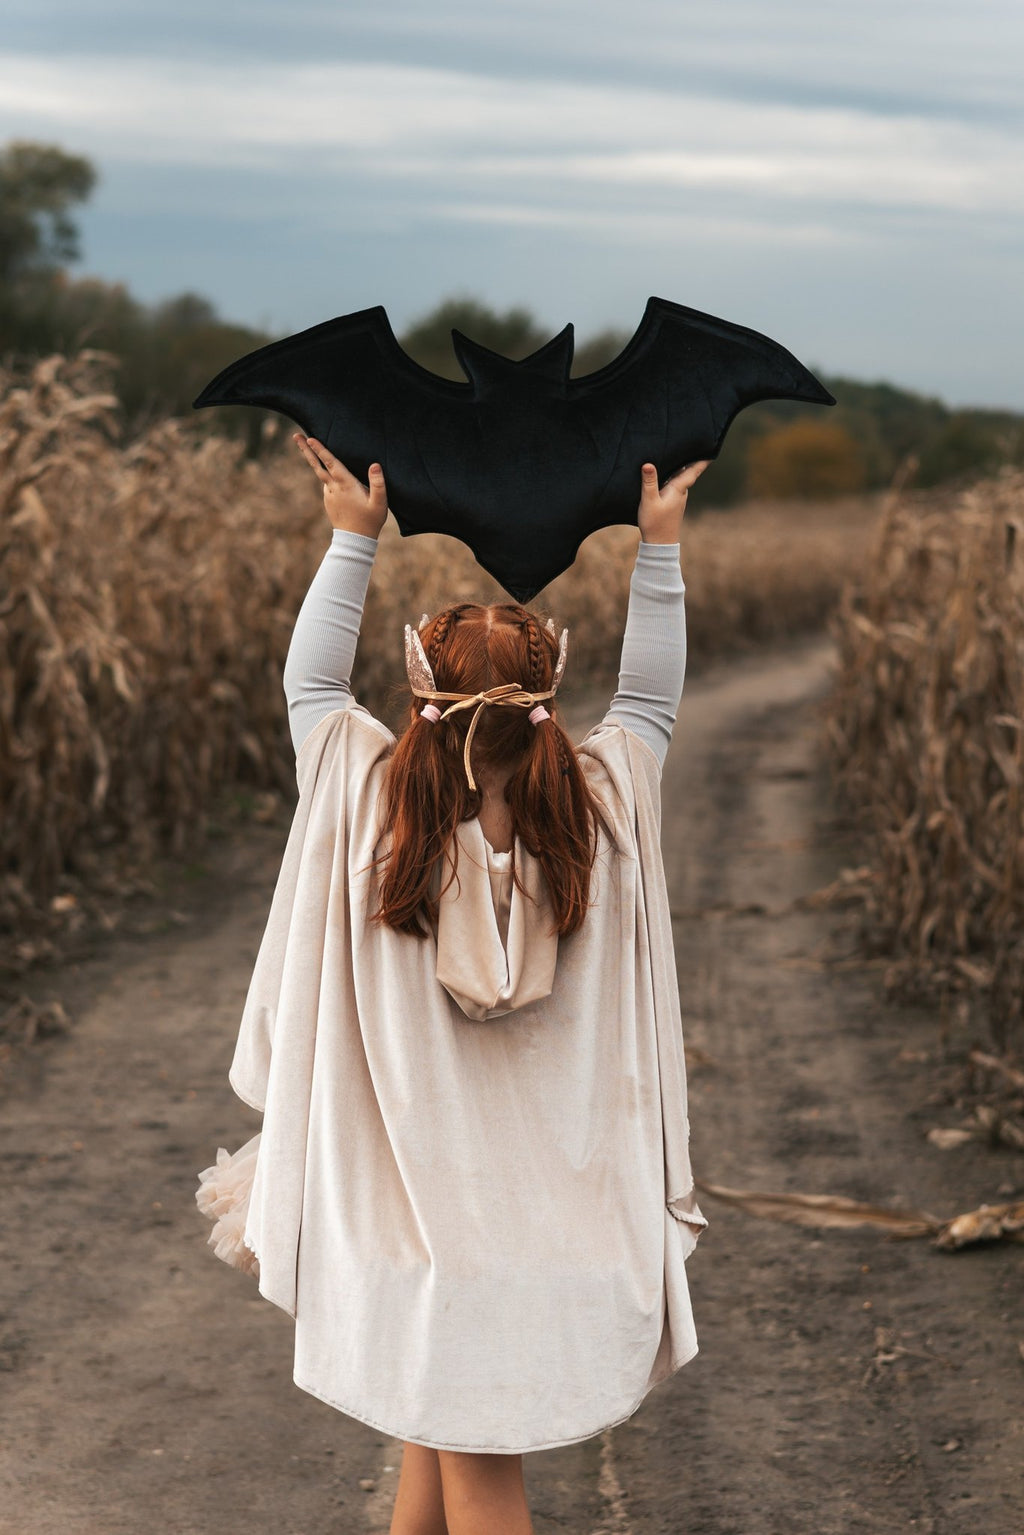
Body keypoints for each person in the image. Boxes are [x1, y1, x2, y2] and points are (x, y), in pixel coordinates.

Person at [197, 436, 711, 1535]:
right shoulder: (604, 813)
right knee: (432, 1450)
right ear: (550, 696)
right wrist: (656, 543)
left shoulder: (363, 803)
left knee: (475, 1475)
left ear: (418, 688)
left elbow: (308, 682)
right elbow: (654, 703)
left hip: (407, 1223)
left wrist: (352, 533)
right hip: (552, 1227)